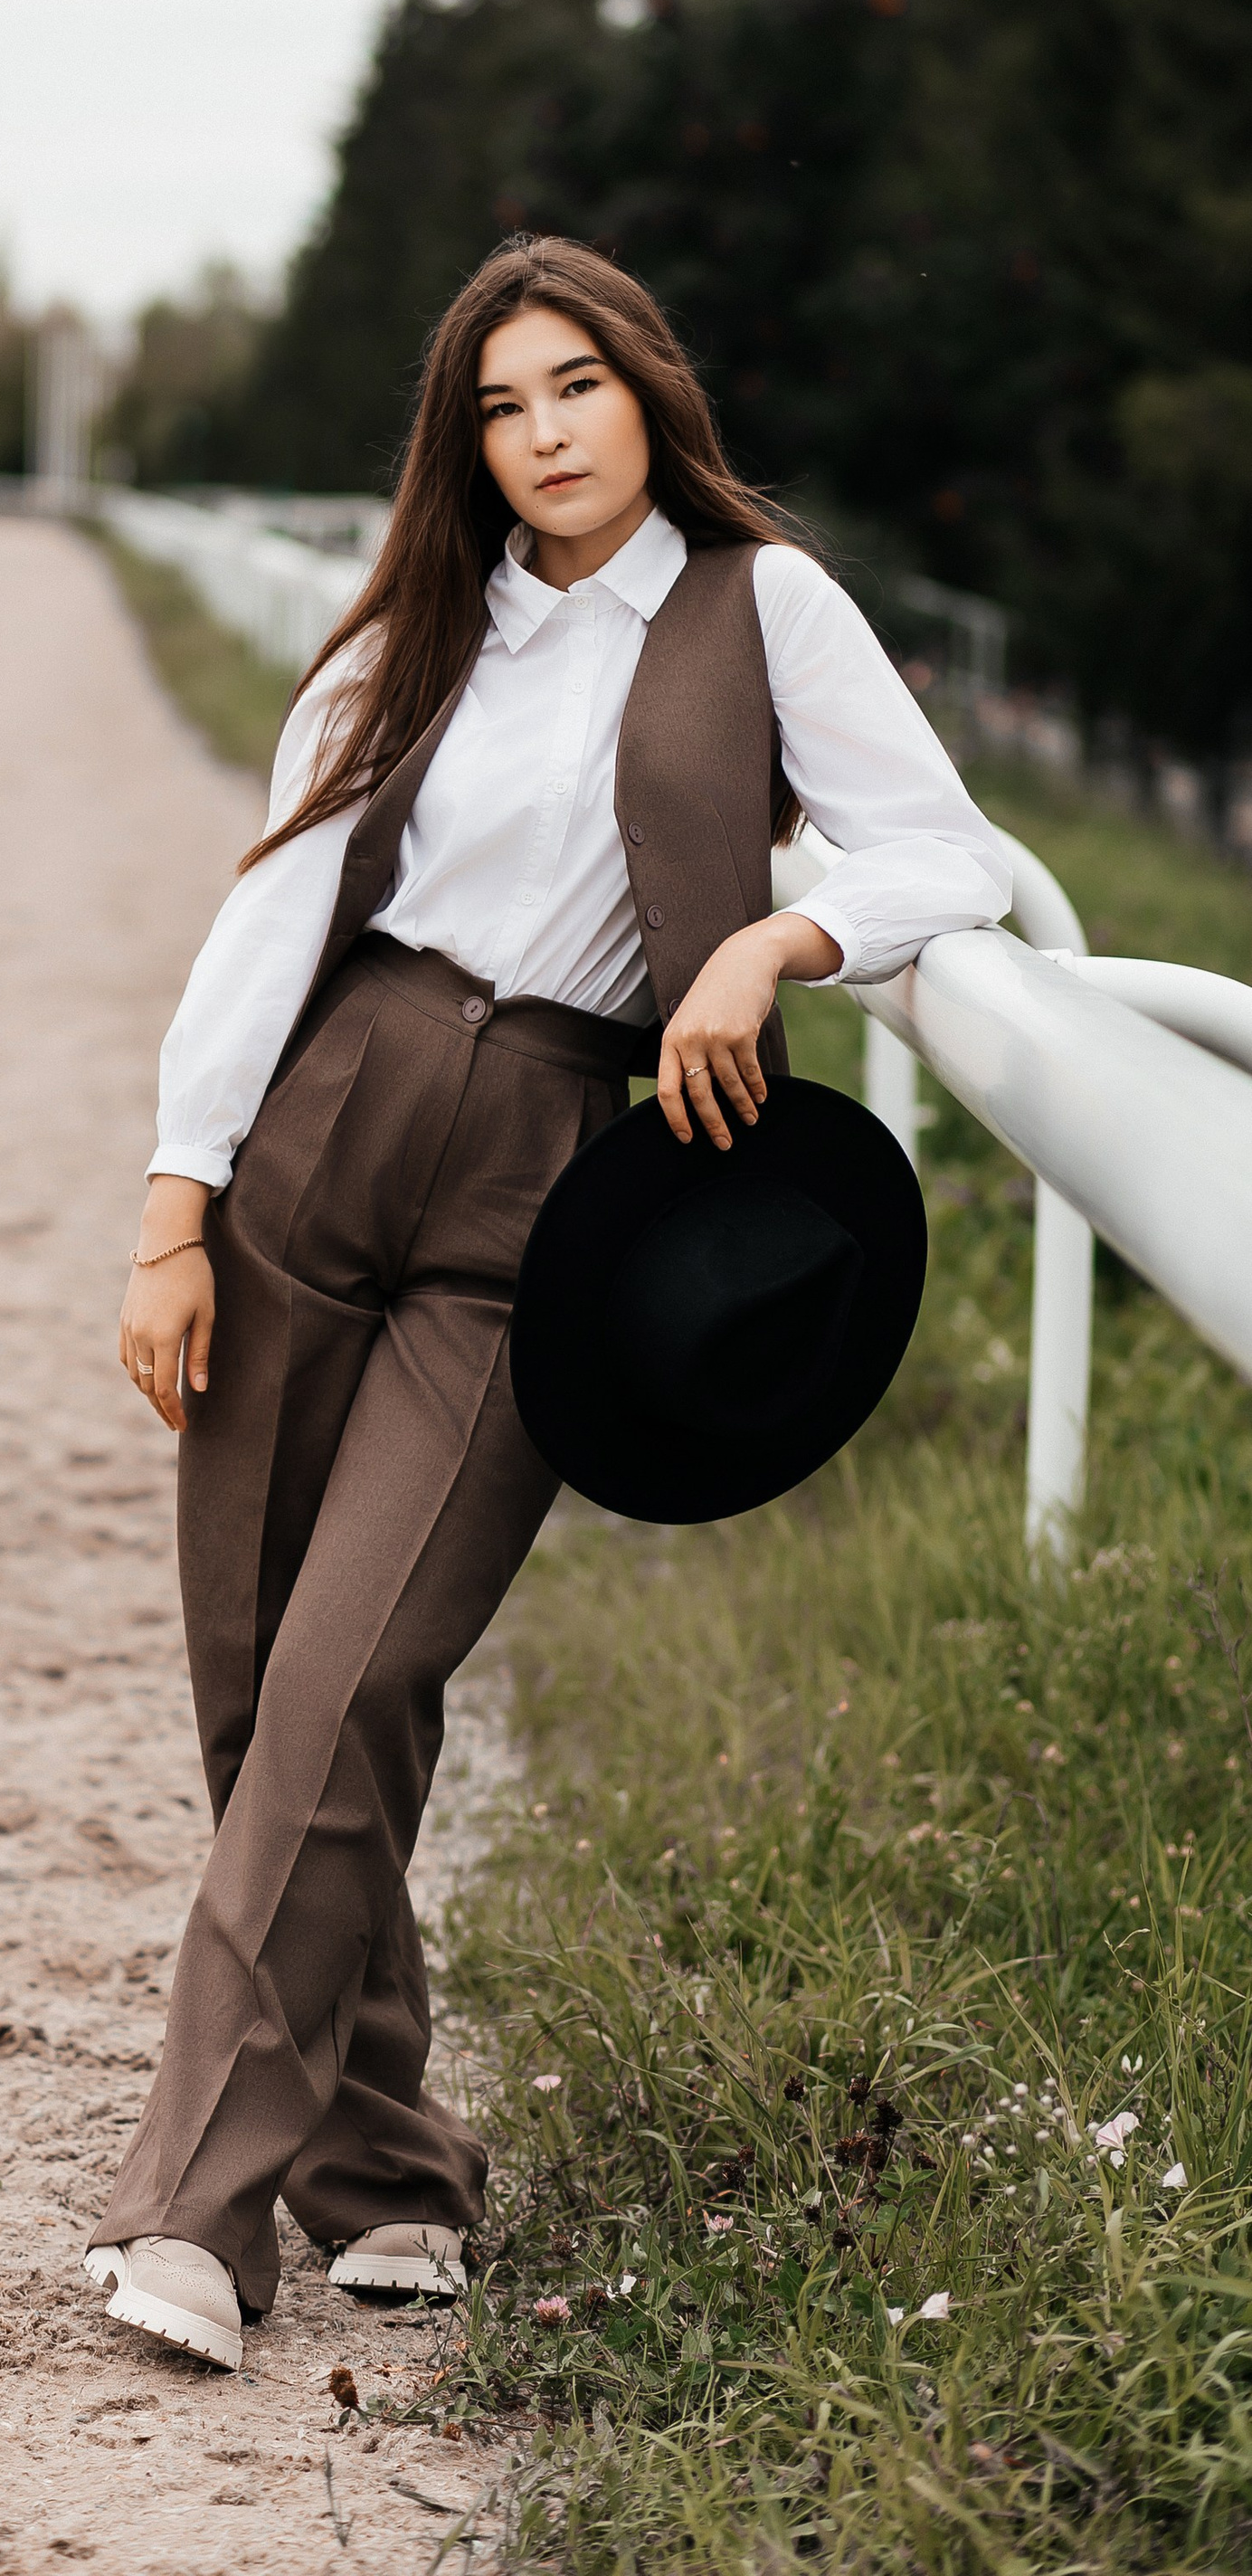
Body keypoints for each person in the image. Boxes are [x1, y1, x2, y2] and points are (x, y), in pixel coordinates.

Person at [83, 236, 1010, 2372]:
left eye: (570, 386)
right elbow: (277, 903)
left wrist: (769, 945)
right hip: (320, 1129)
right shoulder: (415, 626)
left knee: (352, 1677)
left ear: (639, 387)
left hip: (543, 1179)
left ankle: (197, 2217)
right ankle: (390, 2165)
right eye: (498, 407)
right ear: (463, 438)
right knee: (254, 1697)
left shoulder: (754, 603)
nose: (541, 437)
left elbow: (942, 851)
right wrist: (170, 1200)